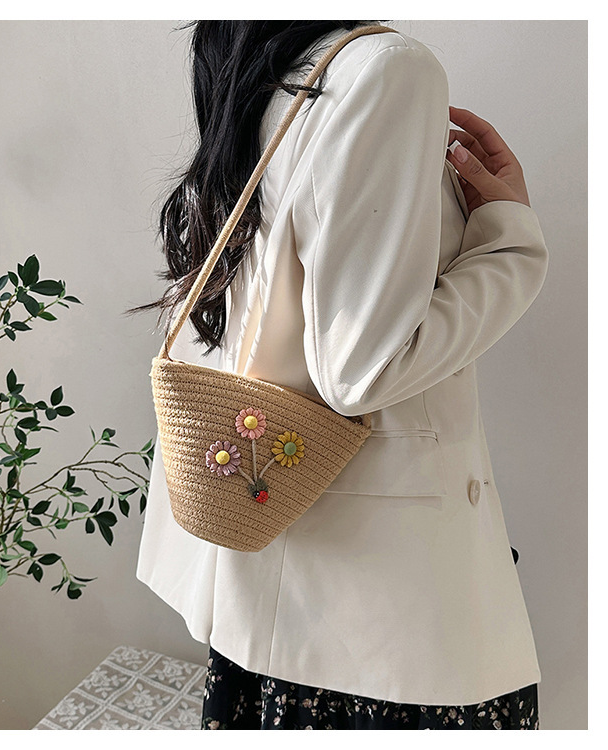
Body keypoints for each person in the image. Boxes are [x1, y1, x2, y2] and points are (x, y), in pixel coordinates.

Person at [128, 20, 547, 730]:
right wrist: (509, 244)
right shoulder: (384, 68)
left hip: (279, 586)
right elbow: (364, 369)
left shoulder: (265, 64)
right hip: (382, 623)